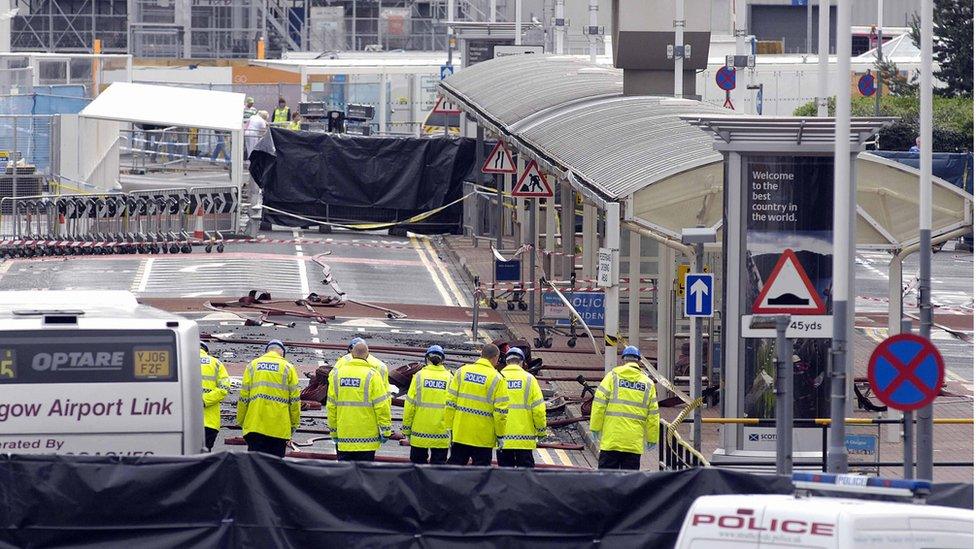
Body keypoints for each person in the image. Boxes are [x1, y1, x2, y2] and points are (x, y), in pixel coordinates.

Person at [589, 346, 659, 471]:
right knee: (629, 482)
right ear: (638, 362)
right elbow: (653, 415)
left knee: (606, 479)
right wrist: (652, 438)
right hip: (633, 442)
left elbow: (599, 405)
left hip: (612, 440)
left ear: (623, 360)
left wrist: (595, 427)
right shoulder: (648, 384)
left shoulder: (612, 377)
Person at [327, 341, 392, 461]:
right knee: (364, 476)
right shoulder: (373, 375)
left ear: (351, 354)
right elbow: (382, 406)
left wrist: (334, 432)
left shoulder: (337, 374)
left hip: (344, 436)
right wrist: (386, 430)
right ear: (367, 355)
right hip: (367, 440)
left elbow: (331, 406)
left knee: (346, 476)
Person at [444, 344, 508, 466]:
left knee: (453, 471)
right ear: (495, 358)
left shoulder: (462, 372)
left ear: (481, 355)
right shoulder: (498, 379)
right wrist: (500, 435)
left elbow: (450, 402)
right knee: (481, 475)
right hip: (483, 438)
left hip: (460, 433)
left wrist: (449, 427)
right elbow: (500, 412)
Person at [237, 339, 301, 458]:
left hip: (254, 425)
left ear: (267, 351)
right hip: (279, 428)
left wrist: (241, 421)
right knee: (274, 469)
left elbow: (244, 398)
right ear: (282, 353)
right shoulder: (288, 367)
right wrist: (294, 424)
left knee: (255, 467)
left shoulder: (252, 366)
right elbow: (294, 401)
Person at [402, 345, 453, 464]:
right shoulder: (449, 378)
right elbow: (453, 407)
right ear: (443, 360)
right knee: (438, 471)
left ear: (427, 359)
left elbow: (410, 405)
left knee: (417, 469)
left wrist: (406, 429)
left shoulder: (419, 376)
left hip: (419, 433)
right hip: (441, 434)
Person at [496, 347, 546, 468]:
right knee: (526, 478)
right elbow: (538, 410)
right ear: (522, 362)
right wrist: (541, 430)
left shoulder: (497, 378)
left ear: (506, 361)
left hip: (502, 439)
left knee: (505, 477)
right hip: (524, 440)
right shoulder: (530, 379)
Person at [200, 342, 230, 452]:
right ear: (206, 351)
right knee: (206, 455)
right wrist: (204, 400)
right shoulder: (216, 363)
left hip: (187, 420)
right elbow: (224, 388)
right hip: (210, 422)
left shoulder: (182, 361)